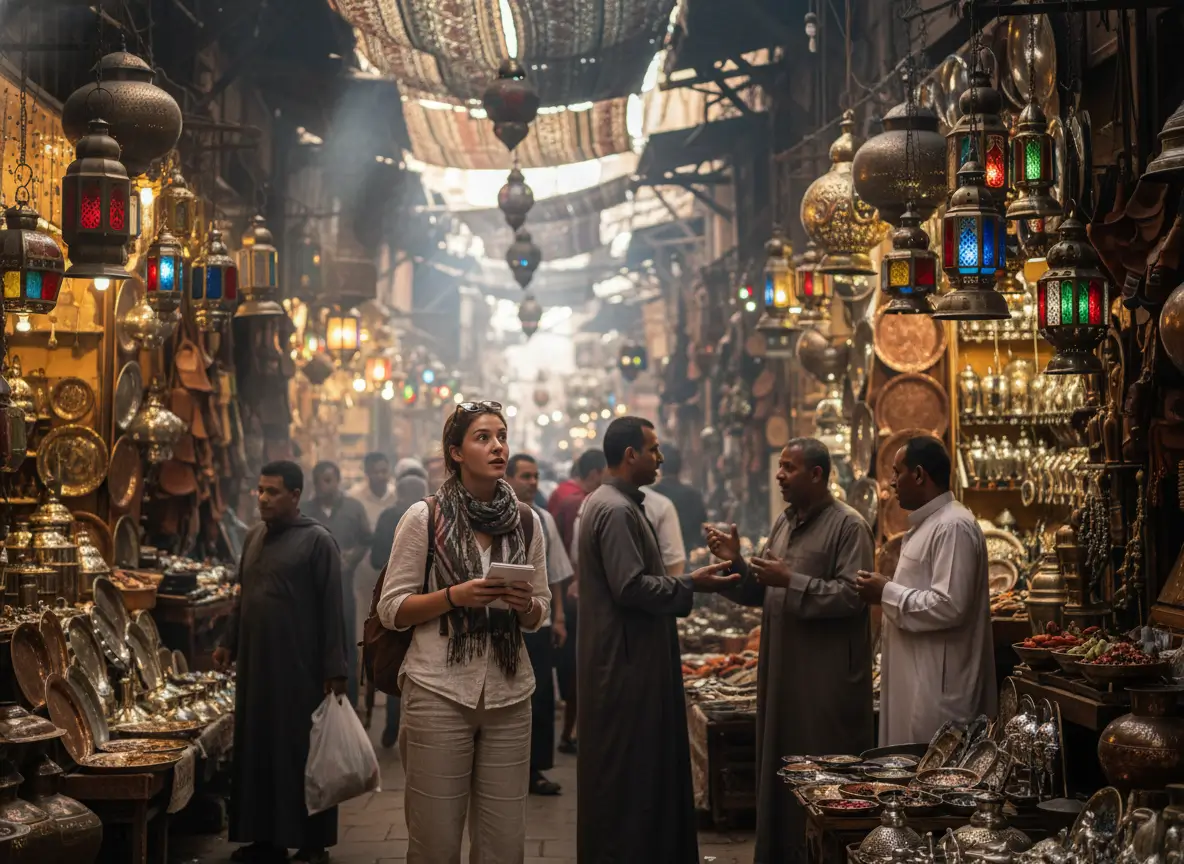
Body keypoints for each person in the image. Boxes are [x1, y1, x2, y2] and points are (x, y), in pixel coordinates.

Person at [376, 401, 551, 863]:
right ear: (455, 452)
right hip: (438, 690)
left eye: (502, 436)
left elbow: (542, 611)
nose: (498, 447)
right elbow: (392, 609)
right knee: (434, 840)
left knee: (504, 842)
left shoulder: (528, 521)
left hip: (510, 695)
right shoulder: (424, 517)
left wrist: (525, 604)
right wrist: (456, 596)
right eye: (483, 437)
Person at [576, 416, 739, 863]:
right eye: (653, 449)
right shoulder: (614, 509)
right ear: (631, 455)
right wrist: (692, 583)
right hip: (626, 663)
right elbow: (630, 587)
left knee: (637, 773)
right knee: (631, 774)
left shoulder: (618, 503)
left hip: (630, 656)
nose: (660, 457)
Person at [707, 438, 875, 864]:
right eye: (779, 466)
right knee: (782, 771)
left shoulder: (849, 526)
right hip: (782, 674)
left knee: (824, 775)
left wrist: (791, 580)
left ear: (817, 474)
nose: (779, 475)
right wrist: (737, 564)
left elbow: (852, 597)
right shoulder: (785, 522)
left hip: (824, 681)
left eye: (788, 467)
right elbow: (765, 589)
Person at [214, 461, 347, 864]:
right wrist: (228, 642)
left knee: (301, 754)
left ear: (295, 495)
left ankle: (312, 842)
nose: (263, 498)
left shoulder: (317, 542)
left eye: (272, 492)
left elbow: (331, 610)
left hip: (300, 671)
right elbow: (244, 596)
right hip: (257, 668)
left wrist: (334, 670)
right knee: (257, 749)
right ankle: (264, 838)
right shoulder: (254, 538)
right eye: (260, 490)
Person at [856, 435, 996, 745]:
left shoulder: (953, 526)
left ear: (919, 475)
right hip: (919, 685)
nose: (891, 482)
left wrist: (886, 592)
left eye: (897, 472)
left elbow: (950, 606)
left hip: (939, 694)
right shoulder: (930, 524)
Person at [506, 453, 572, 796]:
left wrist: (558, 615)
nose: (532, 482)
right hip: (503, 624)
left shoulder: (543, 519)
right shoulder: (494, 515)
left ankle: (536, 770)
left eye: (535, 476)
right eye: (525, 476)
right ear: (509, 478)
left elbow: (556, 572)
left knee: (541, 696)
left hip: (539, 621)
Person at [546, 448, 606, 754]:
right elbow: (567, 553)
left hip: (567, 597)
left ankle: (570, 731)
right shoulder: (582, 503)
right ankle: (575, 732)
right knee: (582, 668)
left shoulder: (563, 498)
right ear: (596, 473)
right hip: (579, 599)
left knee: (573, 669)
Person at [368, 459, 430, 748]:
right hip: (405, 601)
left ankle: (399, 726)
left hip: (422, 603)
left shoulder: (432, 517)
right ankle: (396, 724)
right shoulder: (402, 518)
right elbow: (377, 558)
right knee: (399, 660)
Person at [306, 461, 372, 708]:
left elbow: (367, 538)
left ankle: (349, 703)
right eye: (322, 480)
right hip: (312, 592)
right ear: (315, 483)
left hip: (343, 589)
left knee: (344, 644)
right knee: (314, 643)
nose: (328, 485)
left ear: (338, 480)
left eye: (331, 479)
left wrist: (351, 559)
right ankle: (315, 702)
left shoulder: (353, 508)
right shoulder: (305, 510)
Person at [347, 453, 397, 668]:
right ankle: (363, 669)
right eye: (375, 472)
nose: (380, 476)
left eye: (383, 471)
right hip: (364, 569)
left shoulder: (397, 497)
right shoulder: (354, 499)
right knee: (364, 618)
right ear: (366, 473)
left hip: (392, 569)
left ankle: (385, 668)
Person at [653, 443, 708, 556]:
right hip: (688, 556)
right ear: (681, 467)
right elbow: (702, 526)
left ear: (660, 466)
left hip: (658, 558)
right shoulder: (694, 495)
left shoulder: (651, 495)